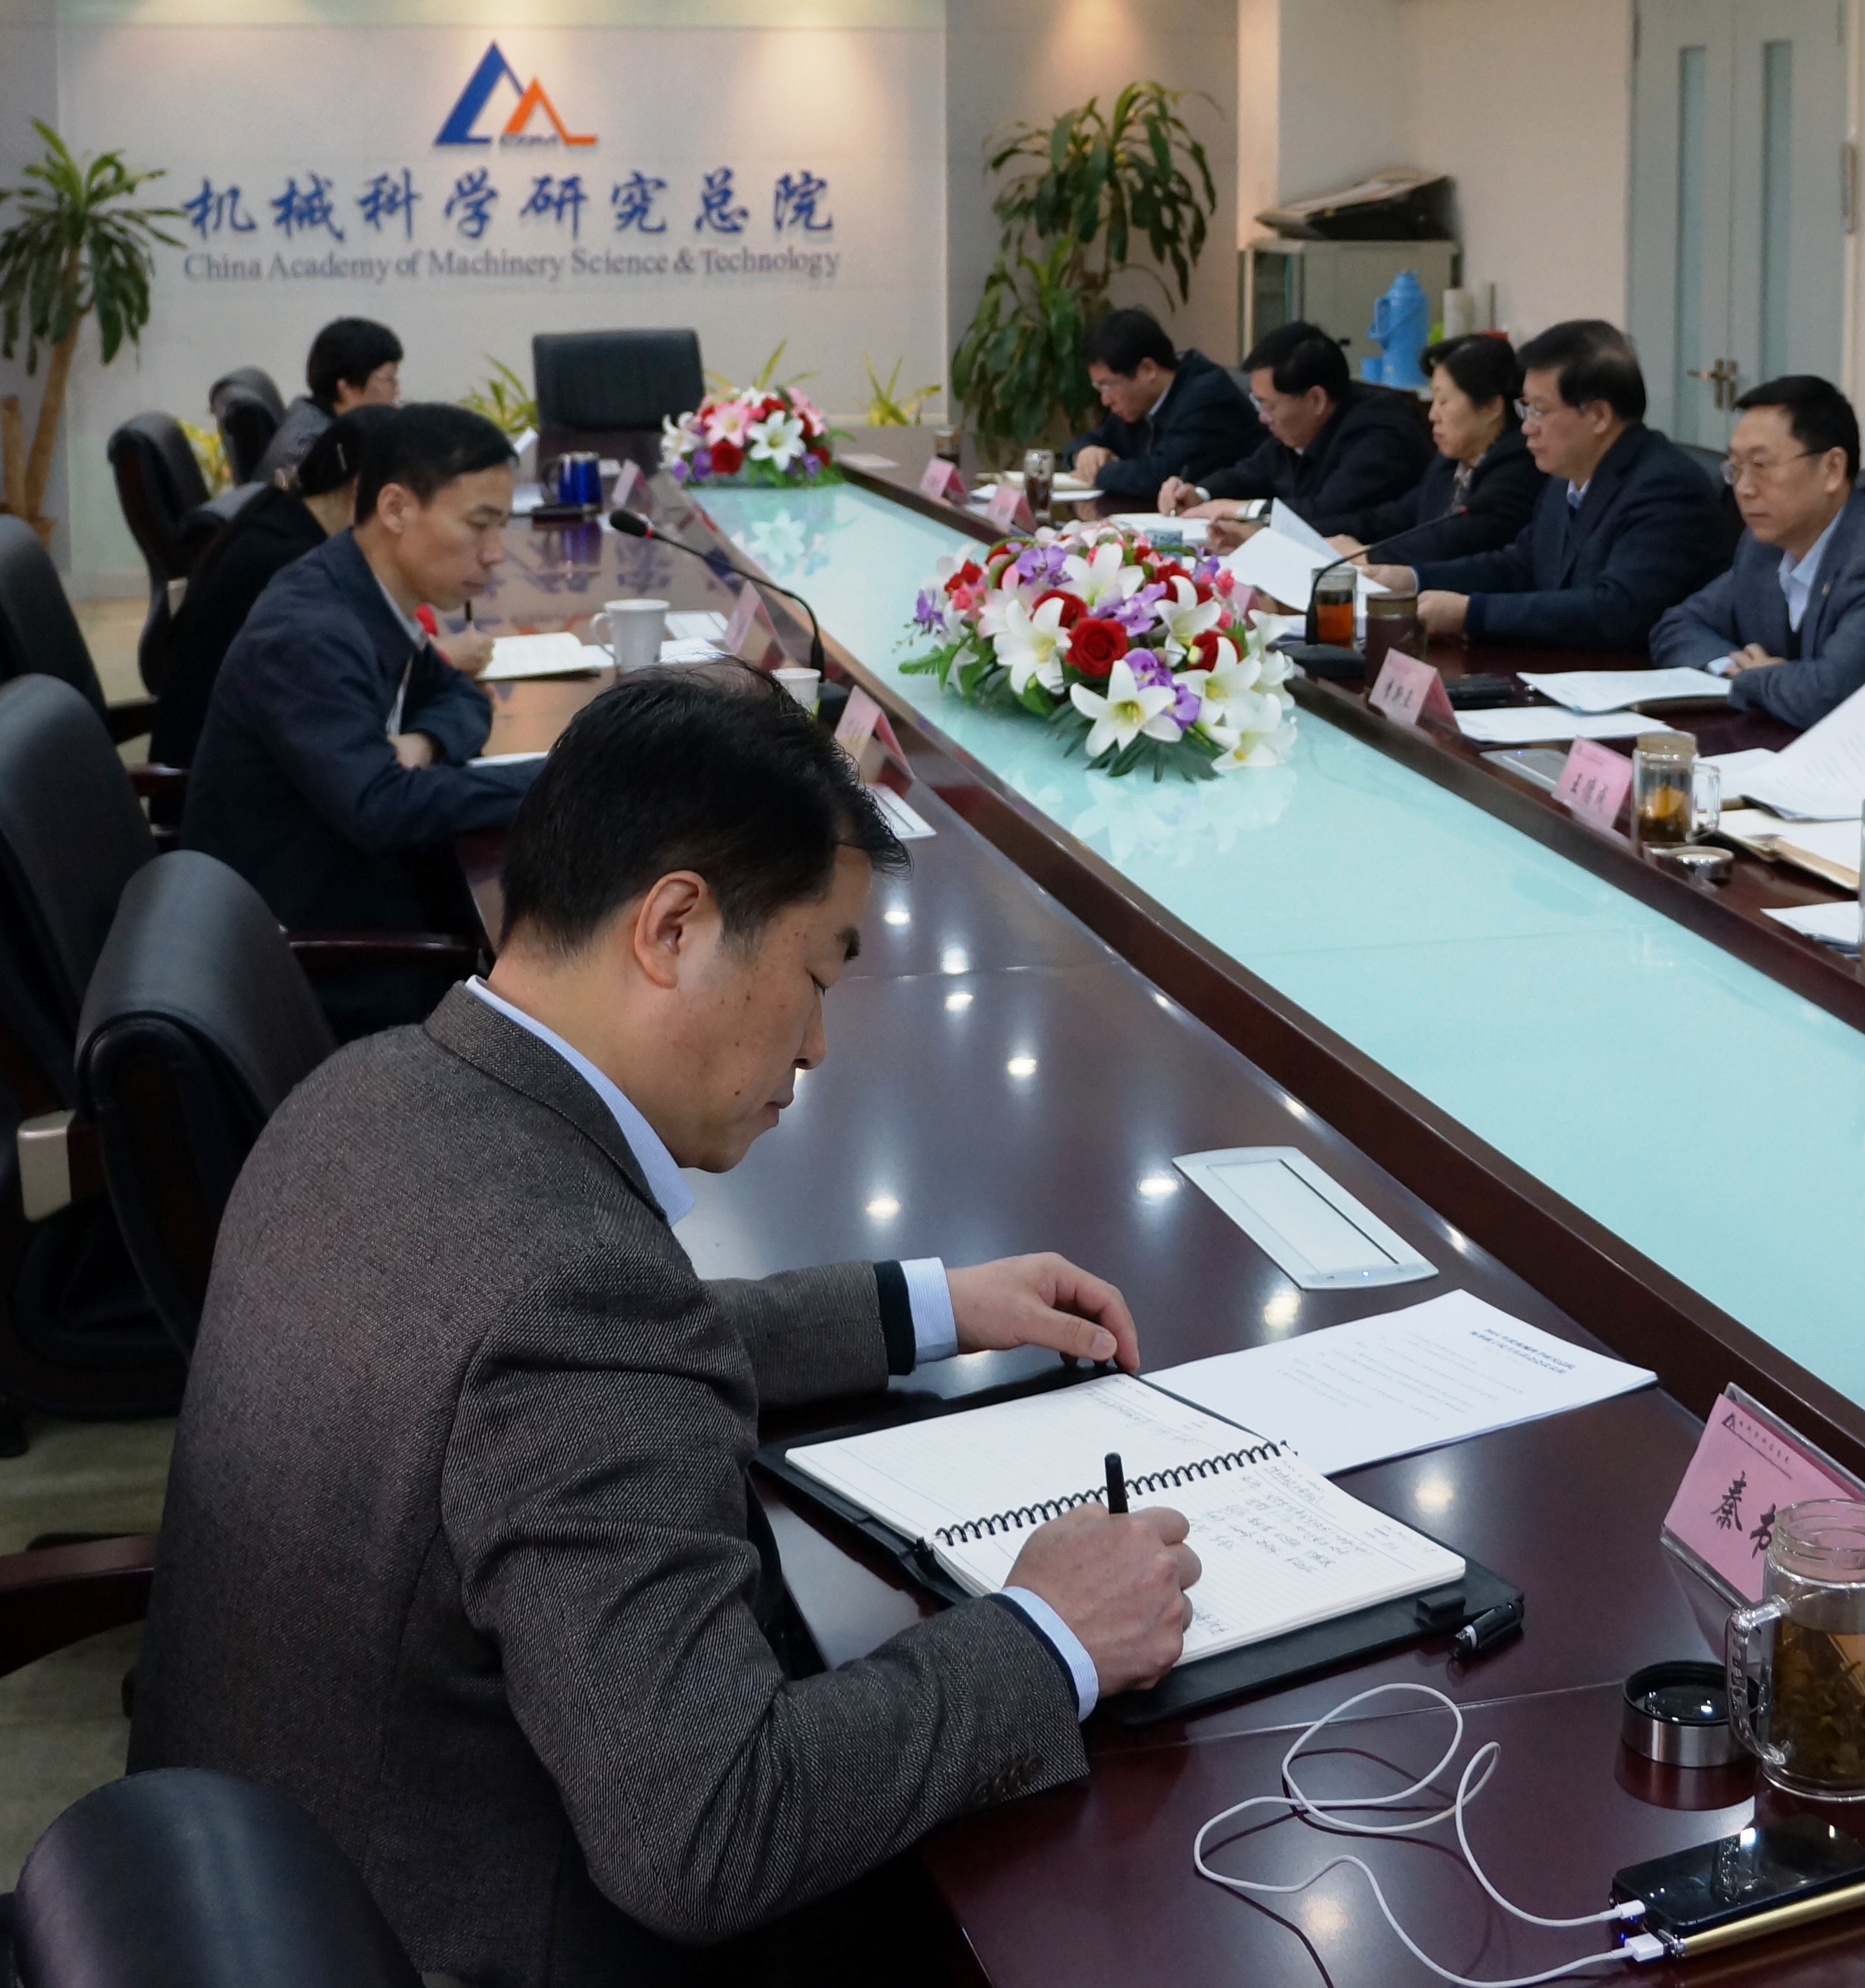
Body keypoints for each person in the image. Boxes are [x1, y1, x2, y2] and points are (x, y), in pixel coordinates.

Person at [134, 667, 1201, 1986]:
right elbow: (709, 1833)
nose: (815, 1047)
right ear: (676, 928)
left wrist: (927, 1307)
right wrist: (1049, 1635)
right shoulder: (573, 1303)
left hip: (252, 1887)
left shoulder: (371, 1092)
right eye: (814, 975)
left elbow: (545, 1363)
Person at [179, 403, 542, 1034]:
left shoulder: (365, 591)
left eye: (501, 527)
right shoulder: (310, 630)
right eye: (478, 525)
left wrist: (424, 742)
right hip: (311, 961)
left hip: (366, 891)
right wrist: (560, 778)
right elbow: (381, 808)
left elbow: (459, 695)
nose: (494, 555)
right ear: (396, 508)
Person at [1365, 319, 1735, 650]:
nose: (1527, 426)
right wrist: (1414, 579)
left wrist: (1471, 613)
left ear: (1598, 416)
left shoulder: (1666, 487)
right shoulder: (1568, 476)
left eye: (1539, 411)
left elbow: (1616, 610)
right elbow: (1521, 565)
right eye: (1525, 408)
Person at [1648, 374, 1865, 725]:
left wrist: (1760, 680)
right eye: (1736, 468)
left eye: (1761, 466)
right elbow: (1677, 627)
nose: (1743, 489)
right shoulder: (1765, 546)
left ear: (1832, 469)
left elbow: (1829, 697)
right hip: (1790, 739)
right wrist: (1735, 670)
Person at [150, 405, 449, 769]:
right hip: (219, 778)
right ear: (361, 492)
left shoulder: (284, 513)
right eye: (405, 507)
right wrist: (443, 661)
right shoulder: (294, 568)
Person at [1157, 321, 1428, 535]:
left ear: (1316, 400)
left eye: (1268, 405)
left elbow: (1325, 512)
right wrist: (1199, 494)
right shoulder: (1298, 428)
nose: (1262, 418)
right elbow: (1249, 473)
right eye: (1257, 403)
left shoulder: (1380, 434)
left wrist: (1240, 510)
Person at [1322, 330, 1539, 564]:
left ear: (1491, 408)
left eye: (1443, 402)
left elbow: (1452, 541)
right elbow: (1395, 517)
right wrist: (1314, 532)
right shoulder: (1450, 461)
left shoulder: (1519, 467)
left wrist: (1366, 555)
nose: (1433, 415)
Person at [1066, 306, 1258, 499]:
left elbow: (1160, 476)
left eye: (1108, 386)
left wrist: (1100, 472)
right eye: (1099, 388)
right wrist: (1084, 452)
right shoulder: (1138, 403)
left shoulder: (1207, 397)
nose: (1105, 400)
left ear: (1148, 370)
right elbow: (1099, 437)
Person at [260, 316, 402, 493]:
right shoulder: (310, 453)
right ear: (347, 387)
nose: (397, 391)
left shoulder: (310, 416)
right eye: (389, 379)